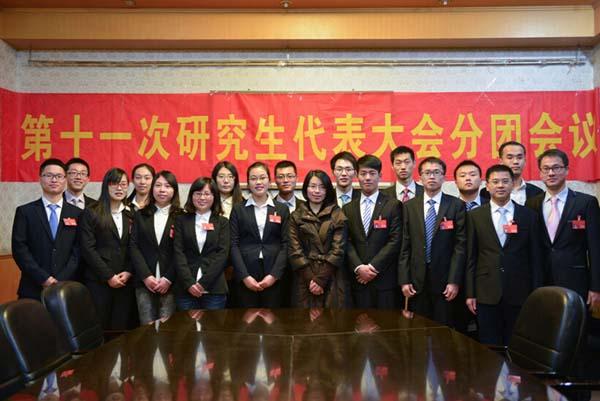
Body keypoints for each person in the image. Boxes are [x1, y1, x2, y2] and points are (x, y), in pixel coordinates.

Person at [466, 164, 543, 345]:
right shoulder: (475, 216)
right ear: (487, 185)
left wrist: (536, 293)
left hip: (520, 292)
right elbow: (471, 257)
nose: (500, 185)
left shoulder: (528, 216)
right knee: (489, 345)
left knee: (517, 344)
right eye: (495, 182)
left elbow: (536, 258)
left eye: (505, 181)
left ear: (512, 184)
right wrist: (470, 293)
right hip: (486, 292)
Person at [526, 148, 600, 310]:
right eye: (546, 169)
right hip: (542, 280)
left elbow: (595, 248)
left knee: (576, 323)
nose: (551, 173)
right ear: (540, 173)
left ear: (566, 170)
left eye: (556, 168)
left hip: (576, 280)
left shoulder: (585, 202)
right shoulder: (532, 204)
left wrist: (596, 287)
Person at [399, 157, 466, 327]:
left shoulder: (456, 205)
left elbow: (460, 247)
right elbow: (405, 246)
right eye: (427, 173)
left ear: (444, 177)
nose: (432, 176)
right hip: (417, 281)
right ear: (420, 177)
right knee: (418, 329)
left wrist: (454, 280)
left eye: (436, 172)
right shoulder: (409, 206)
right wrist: (404, 279)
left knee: (444, 328)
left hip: (445, 281)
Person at [12, 158, 82, 300]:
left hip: (66, 287)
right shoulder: (25, 212)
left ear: (65, 180)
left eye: (59, 176)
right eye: (49, 175)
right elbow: (20, 249)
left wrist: (60, 279)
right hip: (33, 287)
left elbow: (78, 250)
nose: (54, 180)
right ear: (40, 178)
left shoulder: (77, 213)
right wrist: (43, 278)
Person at [80, 167, 137, 330]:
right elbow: (88, 249)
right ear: (106, 185)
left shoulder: (131, 213)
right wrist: (109, 276)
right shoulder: (92, 212)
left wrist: (129, 271)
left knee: (121, 329)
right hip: (99, 281)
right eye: (115, 184)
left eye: (124, 184)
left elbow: (135, 247)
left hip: (125, 281)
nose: (119, 188)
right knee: (99, 327)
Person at [343, 155, 402, 308]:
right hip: (358, 280)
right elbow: (346, 241)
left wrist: (373, 267)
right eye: (363, 173)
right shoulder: (348, 208)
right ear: (357, 176)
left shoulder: (393, 205)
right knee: (358, 321)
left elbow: (395, 240)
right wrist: (358, 267)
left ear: (380, 175)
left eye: (372, 173)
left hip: (384, 280)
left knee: (385, 321)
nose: (367, 178)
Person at [230, 162, 290, 308]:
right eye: (253, 178)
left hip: (273, 274)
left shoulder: (281, 209)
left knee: (273, 319)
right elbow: (233, 244)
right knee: (246, 319)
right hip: (246, 273)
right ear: (248, 183)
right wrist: (244, 276)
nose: (258, 182)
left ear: (269, 181)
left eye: (262, 178)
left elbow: (286, 244)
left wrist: (274, 275)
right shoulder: (238, 209)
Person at [288, 169, 348, 308]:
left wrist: (321, 279)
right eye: (313, 186)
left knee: (331, 319)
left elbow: (338, 250)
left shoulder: (337, 214)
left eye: (322, 187)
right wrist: (312, 280)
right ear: (305, 189)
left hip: (331, 277)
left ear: (328, 190)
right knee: (303, 319)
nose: (317, 191)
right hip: (304, 278)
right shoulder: (296, 216)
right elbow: (295, 251)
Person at [129, 170, 182, 324]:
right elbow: (134, 246)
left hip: (171, 282)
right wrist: (146, 276)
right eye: (158, 185)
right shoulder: (140, 215)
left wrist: (168, 278)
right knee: (146, 328)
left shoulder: (181, 216)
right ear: (152, 189)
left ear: (174, 190)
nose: (162, 190)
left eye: (167, 186)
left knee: (168, 328)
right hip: (144, 282)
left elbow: (181, 251)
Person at [173, 177, 230, 310]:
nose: (202, 198)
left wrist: (203, 283)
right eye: (198, 193)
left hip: (214, 288)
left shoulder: (222, 222)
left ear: (214, 197)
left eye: (207, 194)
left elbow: (222, 254)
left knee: (214, 324)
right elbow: (178, 252)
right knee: (185, 324)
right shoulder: (181, 220)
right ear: (191, 196)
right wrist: (189, 283)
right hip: (185, 288)